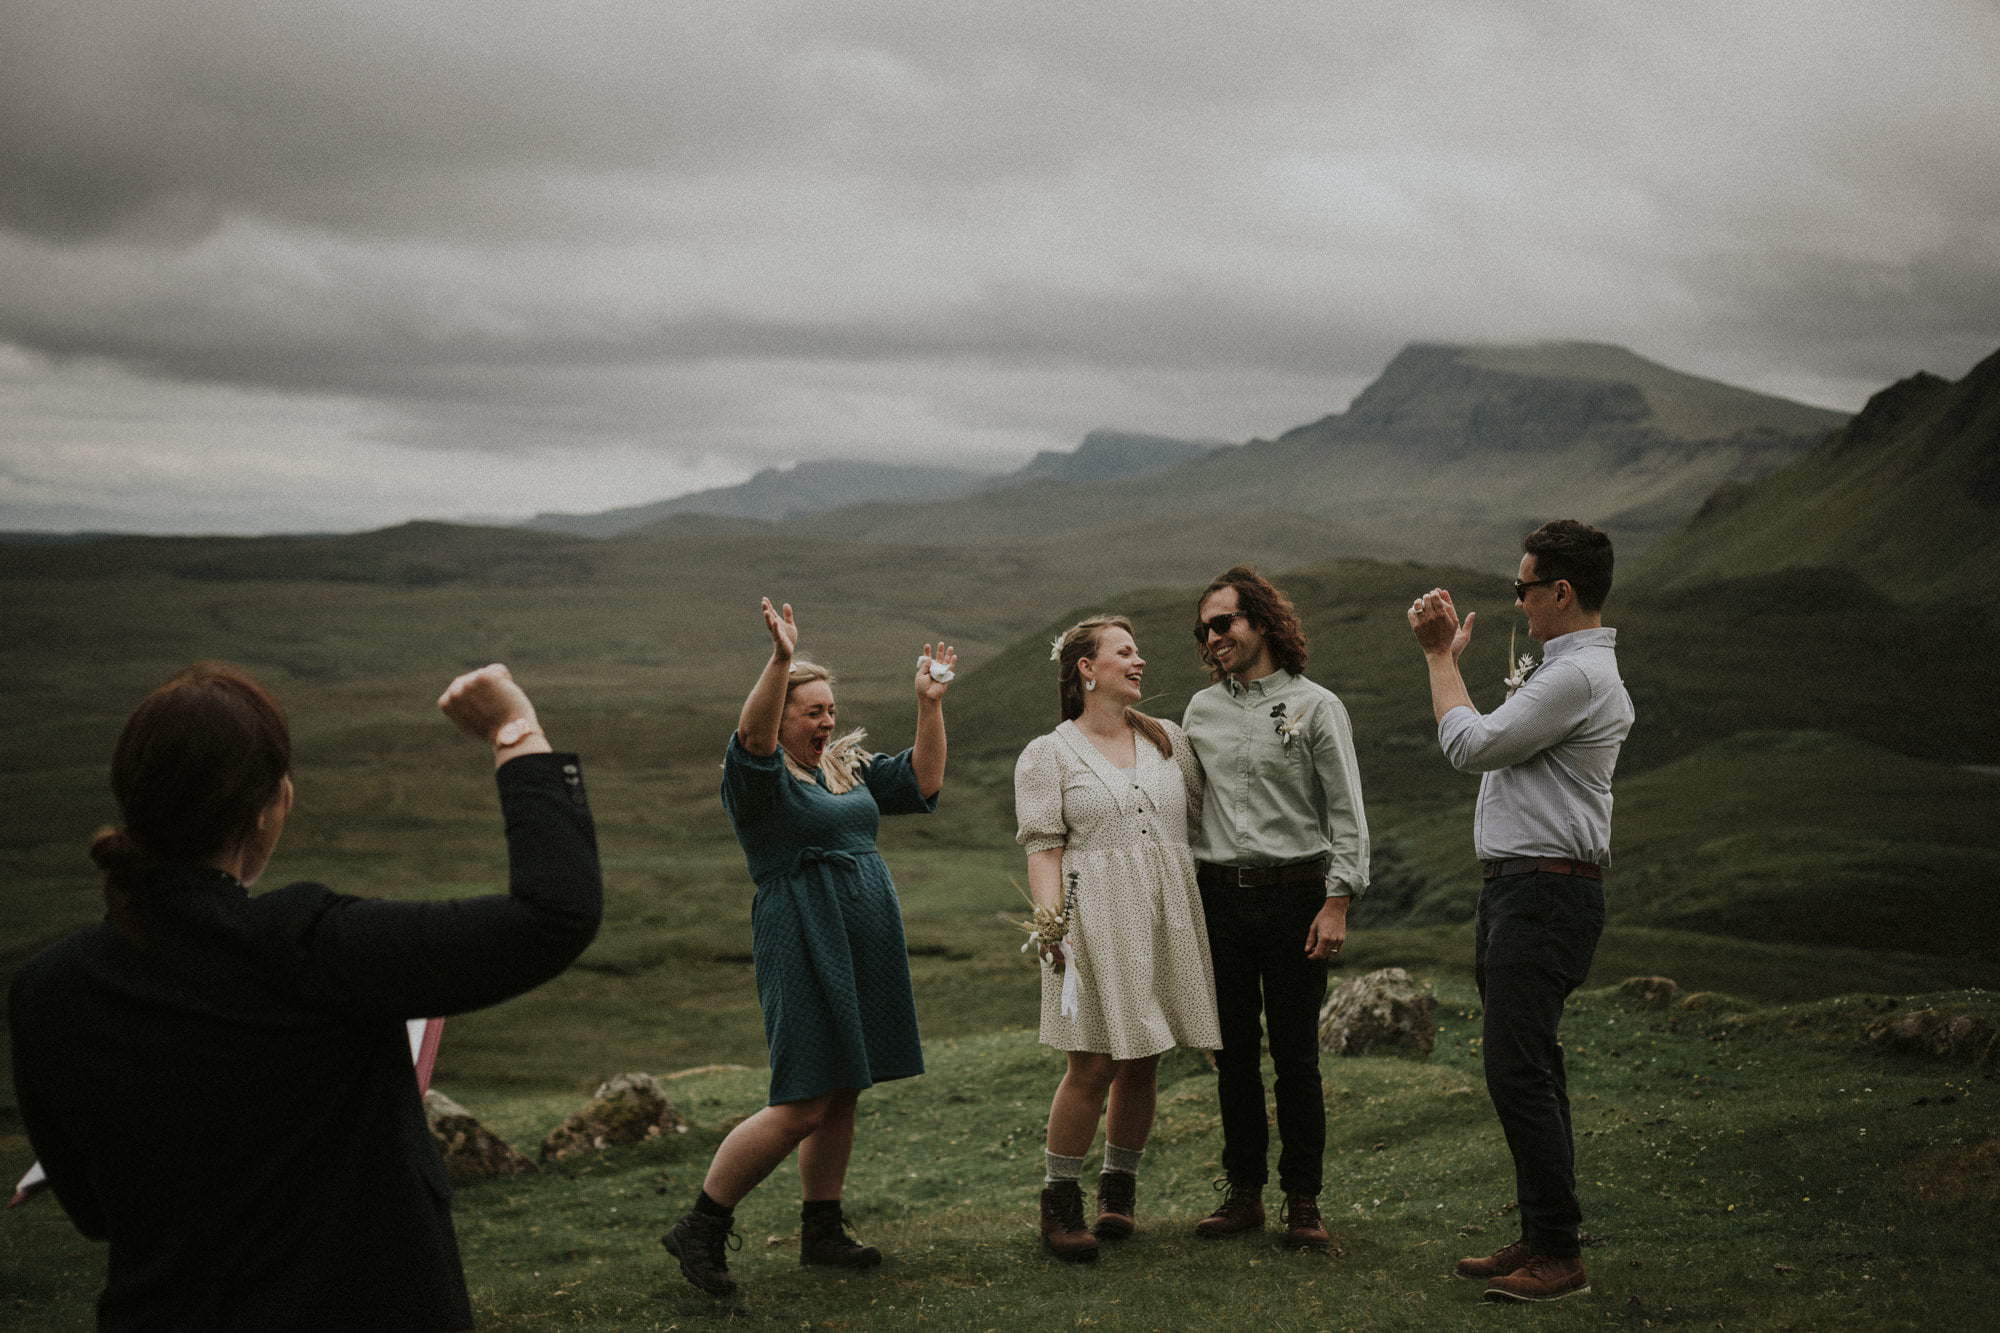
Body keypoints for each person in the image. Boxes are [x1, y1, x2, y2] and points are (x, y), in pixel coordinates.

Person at [8, 661, 603, 1332]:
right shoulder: (313, 947)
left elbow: (93, 1211)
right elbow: (553, 916)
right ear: (271, 806)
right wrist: (513, 731)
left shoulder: (46, 988)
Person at [662, 599, 953, 1299]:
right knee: (802, 1098)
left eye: (830, 710)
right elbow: (752, 734)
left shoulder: (842, 767)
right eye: (811, 711)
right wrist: (780, 660)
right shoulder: (758, 781)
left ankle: (821, 1228)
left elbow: (923, 781)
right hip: (801, 930)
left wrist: (928, 704)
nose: (825, 722)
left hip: (861, 938)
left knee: (844, 1085)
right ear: (782, 716)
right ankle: (700, 1225)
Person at [1407, 518, 1634, 1304]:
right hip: (1526, 887)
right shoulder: (1566, 672)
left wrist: (1440, 658)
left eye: (1523, 588)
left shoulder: (1575, 677)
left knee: (1518, 1068)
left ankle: (1559, 1254)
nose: (1517, 601)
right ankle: (1545, 1234)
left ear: (1561, 591)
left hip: (1543, 892)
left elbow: (1470, 746)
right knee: (1529, 1065)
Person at [1014, 616, 1222, 1262]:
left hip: (1165, 912)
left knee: (1144, 1054)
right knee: (1092, 1062)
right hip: (1093, 920)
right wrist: (1050, 925)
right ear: (1086, 668)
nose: (1139, 662)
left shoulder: (1169, 739)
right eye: (1125, 652)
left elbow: (1201, 820)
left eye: (1138, 651)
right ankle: (1059, 1203)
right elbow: (1044, 848)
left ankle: (1118, 1190)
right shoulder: (1048, 753)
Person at [1181, 565, 1368, 1251]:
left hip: (1296, 897)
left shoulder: (1317, 706)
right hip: (1219, 899)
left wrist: (1337, 901)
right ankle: (1243, 1194)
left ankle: (1303, 1199)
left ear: (1260, 620)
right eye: (1204, 629)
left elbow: (1346, 811)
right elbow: (1184, 806)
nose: (1213, 637)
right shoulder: (1200, 711)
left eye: (1223, 622)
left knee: (1296, 1056)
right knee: (1232, 1056)